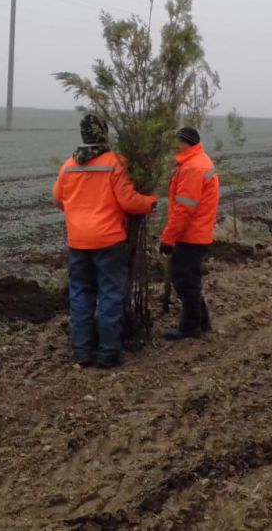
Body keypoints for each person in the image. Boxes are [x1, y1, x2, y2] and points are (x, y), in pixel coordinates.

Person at [52, 114, 156, 368]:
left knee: (80, 295)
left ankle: (82, 351)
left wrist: (78, 214)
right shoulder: (114, 162)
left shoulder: (69, 164)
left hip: (78, 242)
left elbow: (58, 199)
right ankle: (108, 353)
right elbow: (129, 202)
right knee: (110, 295)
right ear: (104, 134)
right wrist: (151, 201)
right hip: (109, 241)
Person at [159, 126, 220, 340]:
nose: (175, 145)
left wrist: (168, 238)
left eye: (178, 141)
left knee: (185, 280)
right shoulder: (197, 162)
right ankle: (202, 322)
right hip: (196, 232)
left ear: (187, 143)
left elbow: (184, 209)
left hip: (191, 235)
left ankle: (190, 326)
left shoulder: (192, 168)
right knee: (189, 278)